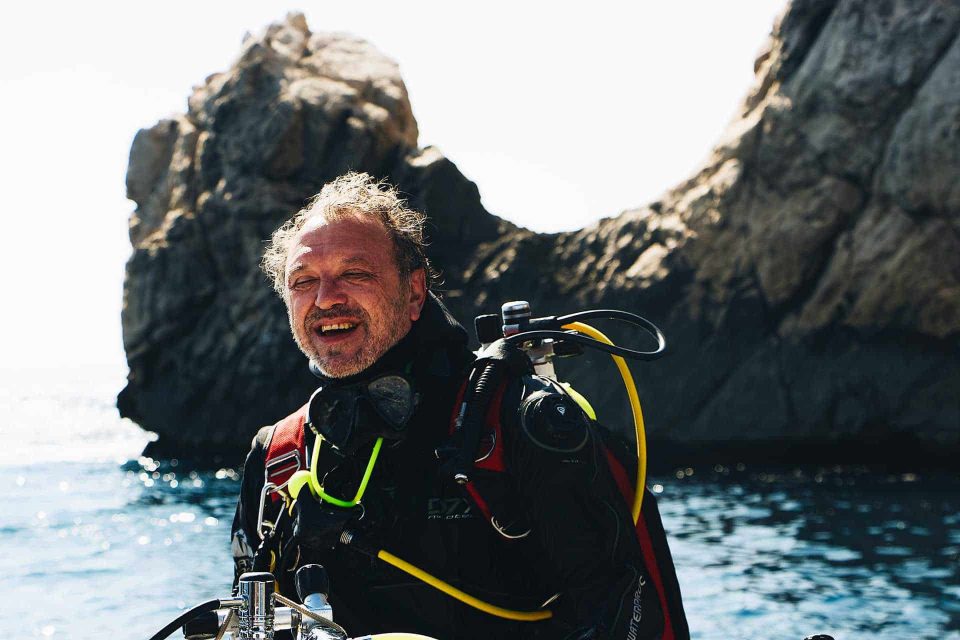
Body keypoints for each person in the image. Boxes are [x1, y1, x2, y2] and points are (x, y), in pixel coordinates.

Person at [231, 172, 688, 639]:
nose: (326, 299)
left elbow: (642, 618)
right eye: (304, 280)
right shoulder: (277, 460)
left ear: (413, 293)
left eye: (355, 273)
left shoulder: (521, 426)